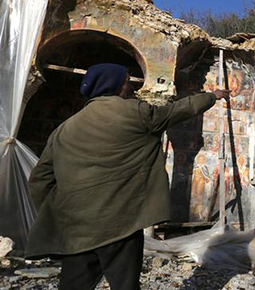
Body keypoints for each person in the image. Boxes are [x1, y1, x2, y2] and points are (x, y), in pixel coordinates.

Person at [25, 63, 228, 290]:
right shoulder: (137, 112)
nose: (131, 87)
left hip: (77, 229)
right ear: (115, 85)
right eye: (126, 81)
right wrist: (213, 96)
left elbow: (39, 180)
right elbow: (180, 109)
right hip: (122, 224)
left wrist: (58, 215)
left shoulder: (63, 129)